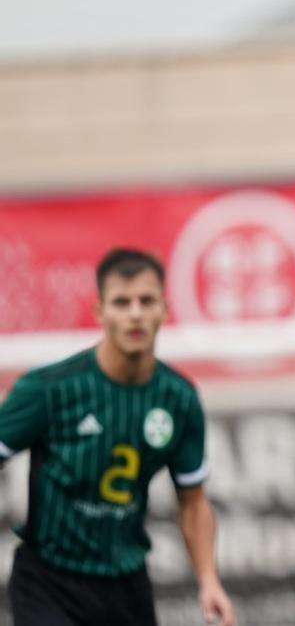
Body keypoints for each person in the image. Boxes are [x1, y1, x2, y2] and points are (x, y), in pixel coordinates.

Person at [0, 248, 235, 626]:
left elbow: (192, 500)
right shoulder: (48, 389)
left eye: (146, 301)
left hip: (126, 585)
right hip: (48, 580)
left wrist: (209, 581)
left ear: (164, 308)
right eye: (122, 302)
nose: (136, 313)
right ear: (100, 312)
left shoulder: (178, 398)